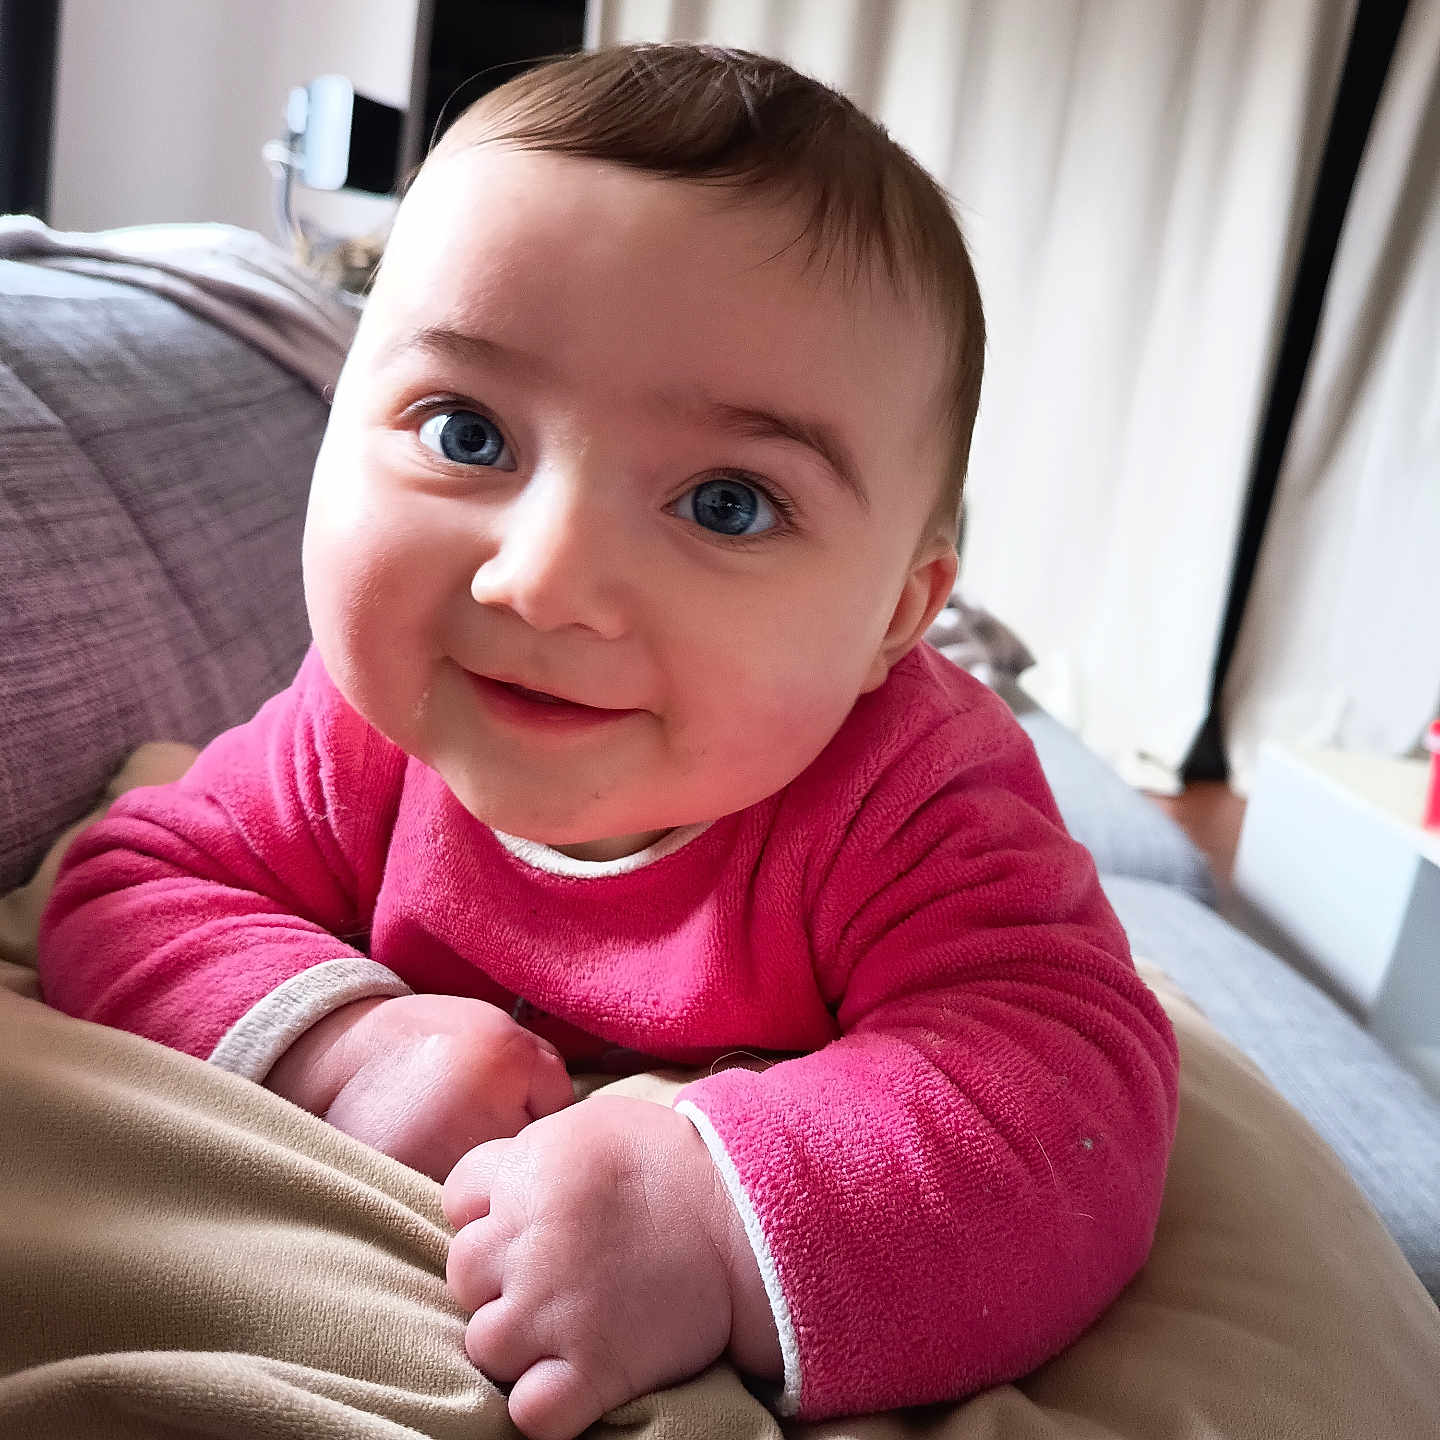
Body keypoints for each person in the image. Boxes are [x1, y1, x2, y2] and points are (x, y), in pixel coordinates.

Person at [38, 42, 1179, 1440]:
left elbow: (1065, 1094)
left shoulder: (914, 789)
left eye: (727, 505)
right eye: (466, 433)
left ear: (897, 614)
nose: (542, 582)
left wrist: (703, 1210)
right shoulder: (368, 729)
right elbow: (132, 885)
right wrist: (345, 1046)